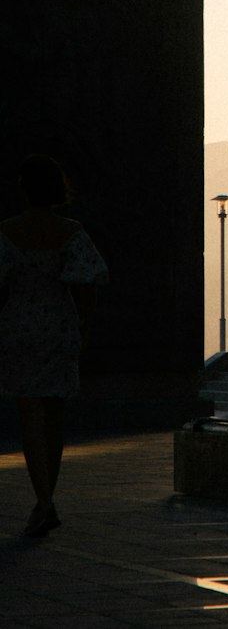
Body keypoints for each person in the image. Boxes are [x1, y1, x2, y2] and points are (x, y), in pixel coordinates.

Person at [0, 154, 108, 537]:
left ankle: (43, 500)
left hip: (19, 323)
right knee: (55, 417)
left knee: (29, 416)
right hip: (59, 323)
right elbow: (88, 282)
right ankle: (47, 500)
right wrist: (86, 326)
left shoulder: (8, 232)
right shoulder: (71, 231)